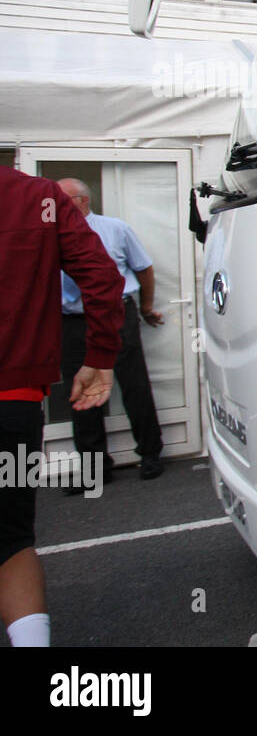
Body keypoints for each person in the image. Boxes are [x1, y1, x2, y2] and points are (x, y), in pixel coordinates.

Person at [1, 168, 123, 646]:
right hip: (13, 403)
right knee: (10, 541)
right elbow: (101, 276)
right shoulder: (35, 196)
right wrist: (99, 358)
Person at [56, 179, 166, 486]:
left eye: (59, 199)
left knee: (134, 385)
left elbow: (143, 268)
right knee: (80, 392)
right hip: (72, 321)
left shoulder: (114, 229)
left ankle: (150, 453)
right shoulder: (47, 234)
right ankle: (94, 467)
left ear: (81, 201)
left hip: (115, 313)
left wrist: (145, 308)